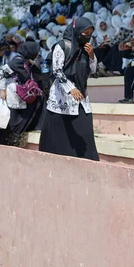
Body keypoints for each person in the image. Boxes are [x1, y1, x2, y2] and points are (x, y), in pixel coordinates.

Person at [39, 17, 99, 160]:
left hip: (81, 96)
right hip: (62, 97)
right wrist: (71, 89)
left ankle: (88, 162)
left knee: (84, 130)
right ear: (77, 31)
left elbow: (94, 72)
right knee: (58, 134)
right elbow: (57, 71)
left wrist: (92, 56)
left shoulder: (86, 49)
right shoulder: (61, 46)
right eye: (86, 33)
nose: (88, 37)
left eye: (91, 33)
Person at [0, 41, 44, 147]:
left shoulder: (26, 61)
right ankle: (14, 137)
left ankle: (22, 131)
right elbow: (1, 72)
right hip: (14, 93)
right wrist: (2, 90)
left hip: (22, 93)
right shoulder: (17, 62)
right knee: (15, 118)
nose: (37, 54)